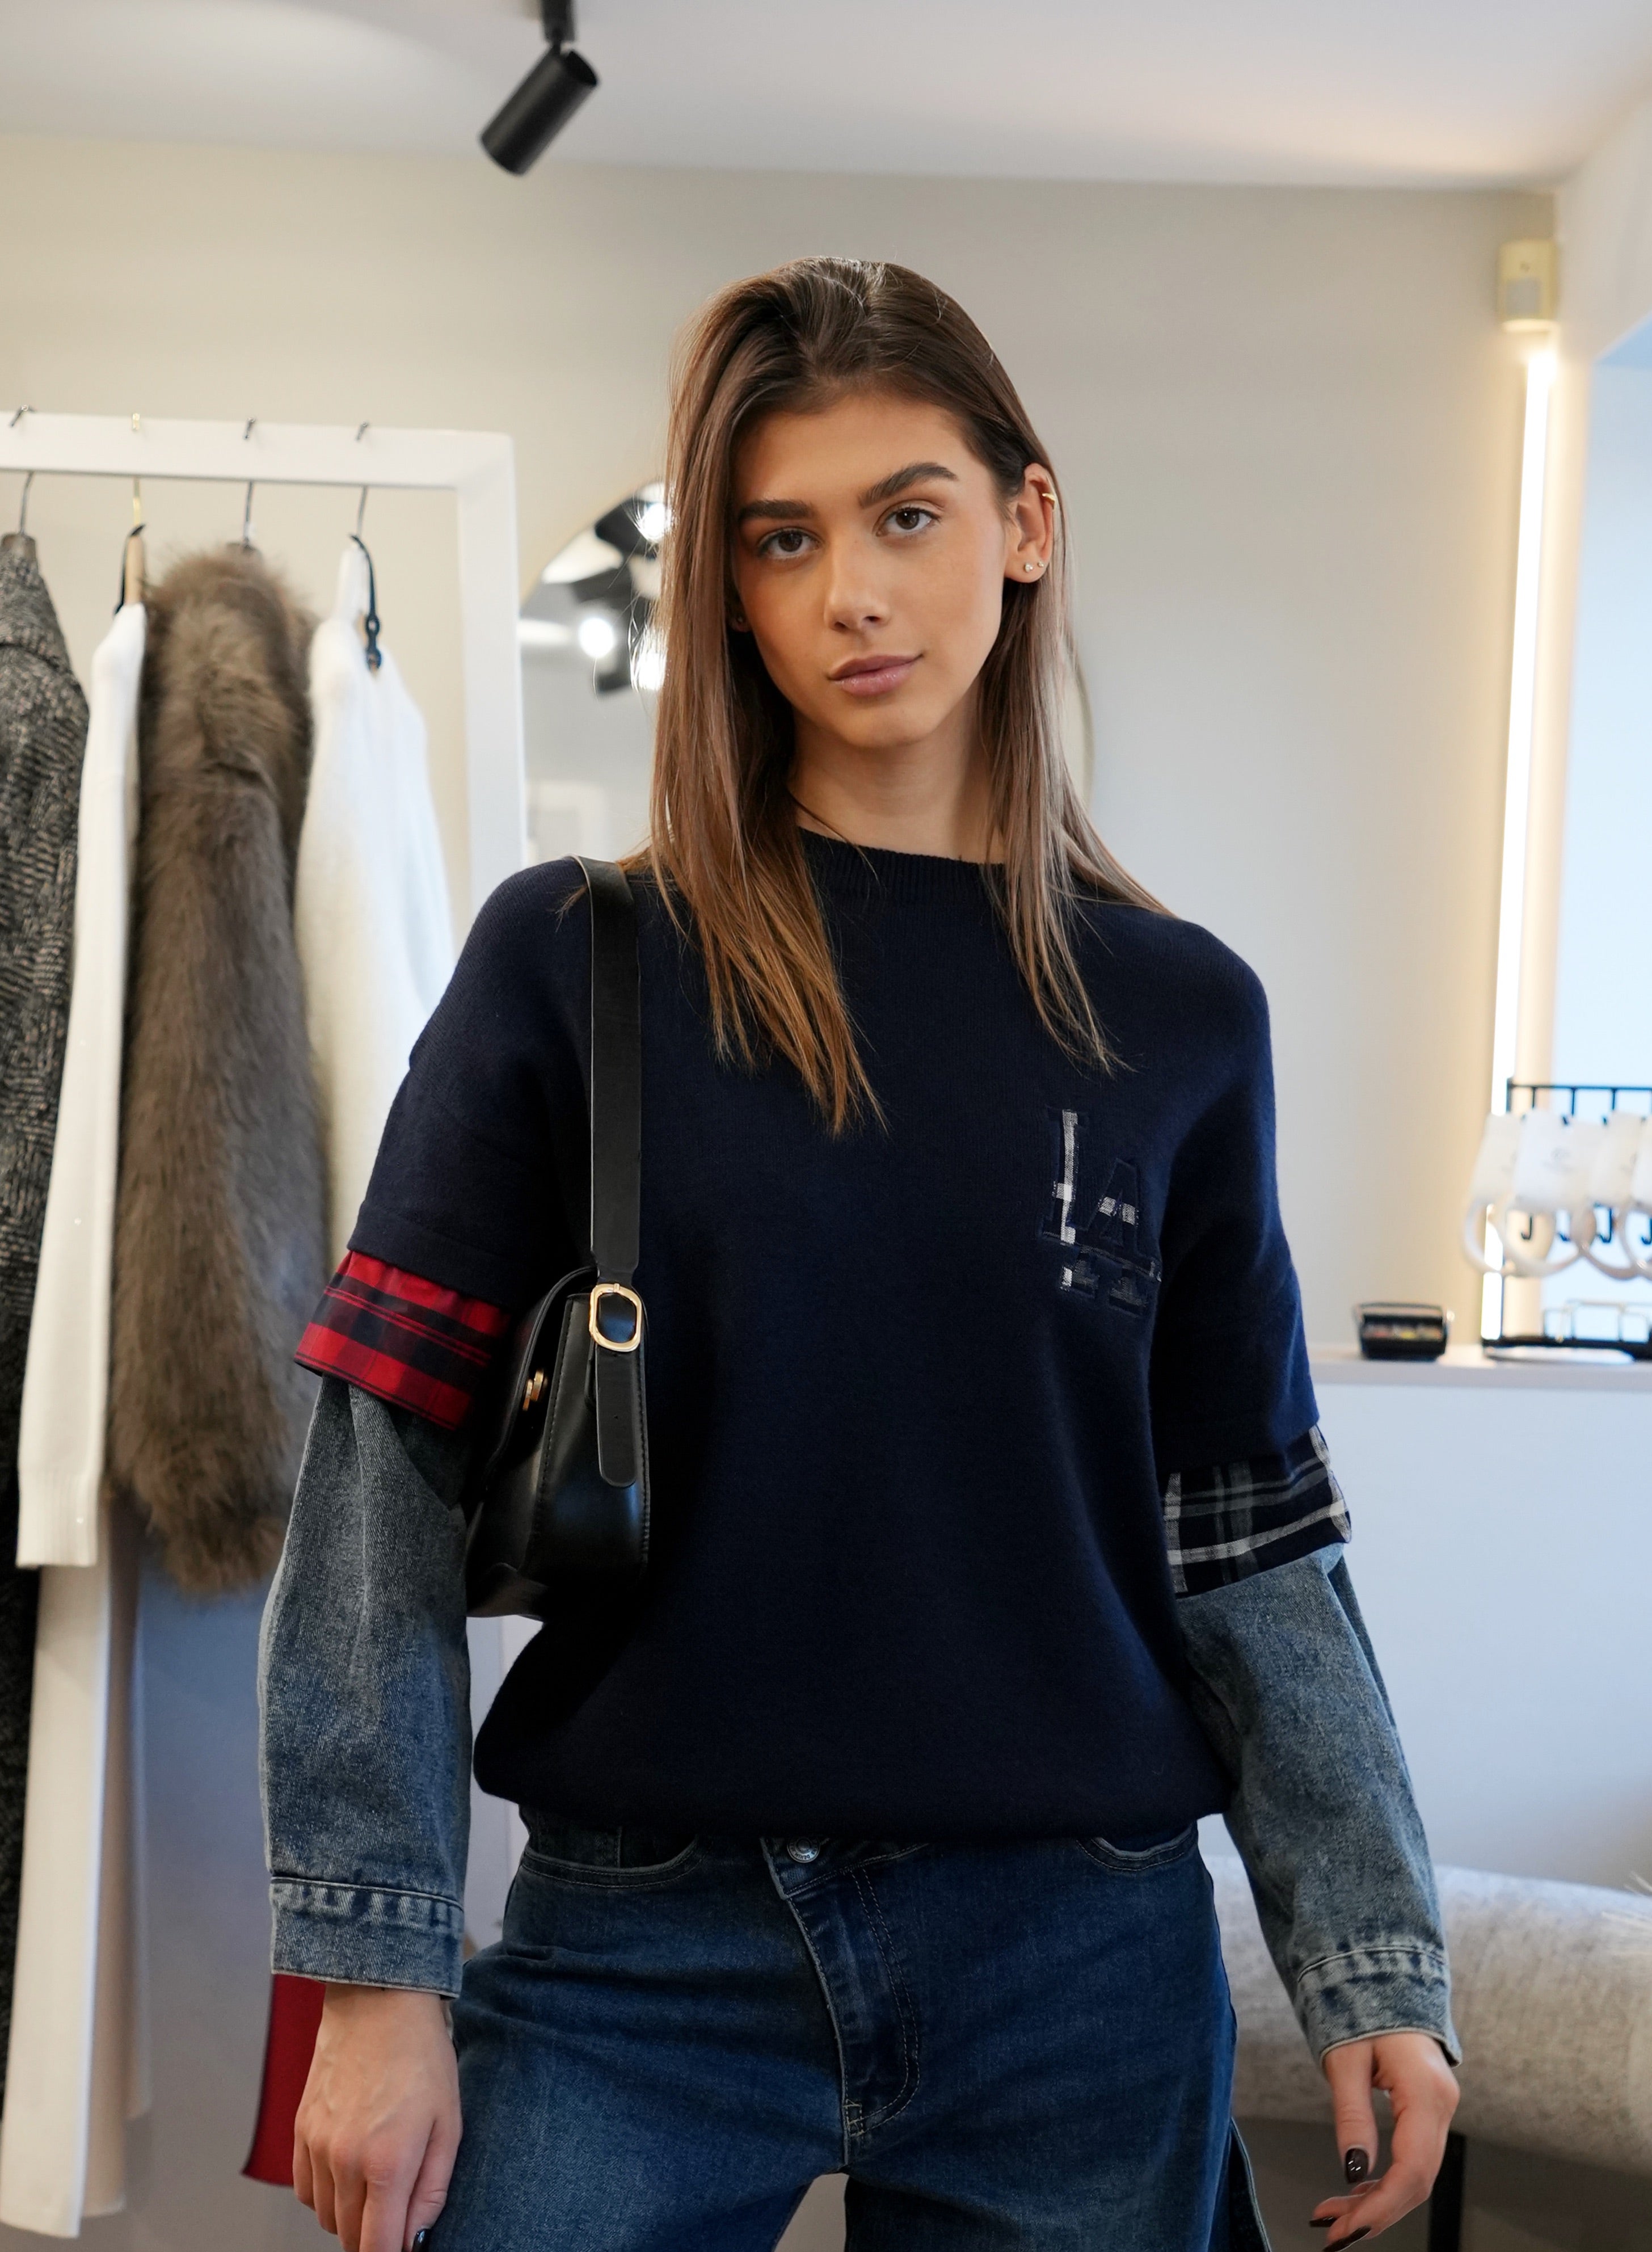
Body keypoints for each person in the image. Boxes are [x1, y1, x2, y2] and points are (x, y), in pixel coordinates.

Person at [260, 256, 1459, 2252]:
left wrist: (1371, 1952)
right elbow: (378, 1468)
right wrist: (373, 1966)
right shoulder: (574, 958)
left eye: (908, 514)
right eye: (783, 538)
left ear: (1026, 521)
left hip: (1080, 1957)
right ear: (729, 588)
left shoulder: (1181, 1014)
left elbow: (1249, 1535)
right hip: (644, 1943)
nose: (853, 594)